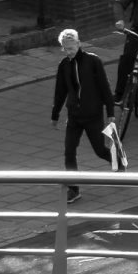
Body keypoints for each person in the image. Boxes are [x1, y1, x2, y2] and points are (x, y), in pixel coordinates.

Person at [51, 29, 118, 204]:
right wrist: (55, 114)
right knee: (69, 151)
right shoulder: (64, 65)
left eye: (71, 48)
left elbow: (104, 87)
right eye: (65, 49)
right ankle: (73, 189)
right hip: (74, 116)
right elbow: (60, 91)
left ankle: (117, 161)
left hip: (92, 115)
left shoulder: (93, 61)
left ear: (78, 44)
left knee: (99, 150)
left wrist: (110, 112)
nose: (68, 52)